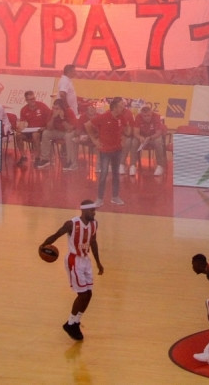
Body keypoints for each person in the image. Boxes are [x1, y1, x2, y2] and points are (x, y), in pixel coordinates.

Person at [40, 200, 104, 342]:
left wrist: (98, 262)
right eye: (92, 210)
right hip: (74, 260)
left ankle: (75, 322)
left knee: (89, 294)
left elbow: (93, 242)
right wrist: (43, 245)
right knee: (82, 294)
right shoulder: (71, 224)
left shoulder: (94, 224)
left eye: (94, 210)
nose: (94, 213)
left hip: (86, 260)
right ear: (84, 211)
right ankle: (70, 324)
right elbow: (56, 235)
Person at [85, 97, 128, 206]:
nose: (123, 107)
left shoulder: (121, 118)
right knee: (103, 174)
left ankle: (115, 197)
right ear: (115, 107)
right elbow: (88, 125)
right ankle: (99, 199)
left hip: (117, 150)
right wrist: (94, 140)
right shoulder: (104, 117)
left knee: (116, 174)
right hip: (105, 151)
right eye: (121, 105)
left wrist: (123, 138)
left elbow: (125, 129)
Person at [38, 98, 78, 171]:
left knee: (69, 136)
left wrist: (62, 118)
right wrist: (53, 117)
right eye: (54, 108)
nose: (55, 110)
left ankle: (71, 162)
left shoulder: (69, 112)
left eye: (57, 108)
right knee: (46, 133)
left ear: (62, 108)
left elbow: (69, 129)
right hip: (58, 132)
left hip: (69, 132)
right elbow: (49, 128)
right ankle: (45, 159)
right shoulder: (52, 113)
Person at [133, 104, 167, 176]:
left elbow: (158, 133)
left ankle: (160, 165)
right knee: (134, 141)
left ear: (151, 113)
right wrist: (139, 137)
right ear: (141, 115)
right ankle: (133, 165)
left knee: (158, 141)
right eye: (144, 116)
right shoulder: (138, 117)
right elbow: (135, 132)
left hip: (153, 137)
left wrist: (150, 137)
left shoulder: (156, 116)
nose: (147, 117)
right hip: (142, 137)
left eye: (148, 115)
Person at [17, 90, 50, 165]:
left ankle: (37, 158)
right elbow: (22, 123)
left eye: (34, 98)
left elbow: (50, 117)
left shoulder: (42, 106)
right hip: (29, 130)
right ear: (26, 100)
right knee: (18, 136)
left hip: (41, 130)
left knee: (35, 135)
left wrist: (45, 127)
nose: (33, 100)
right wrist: (21, 127)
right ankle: (23, 157)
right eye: (30, 99)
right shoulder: (24, 110)